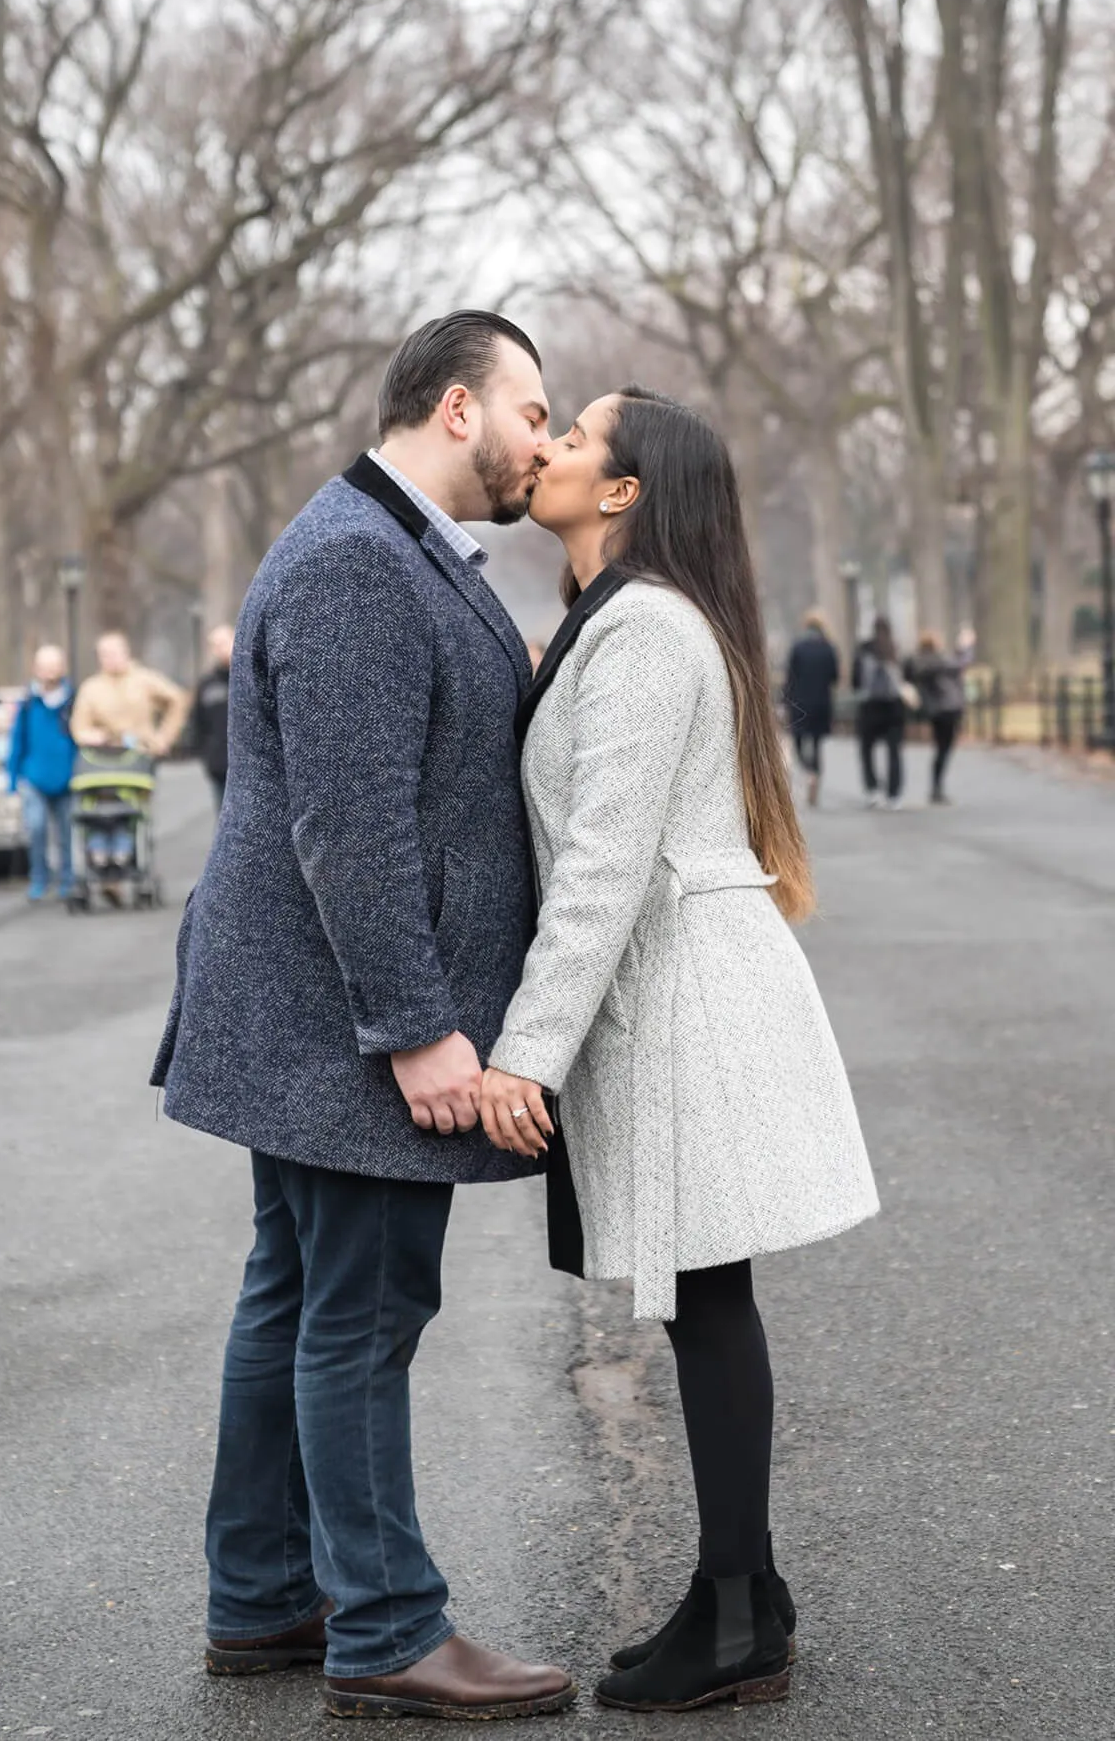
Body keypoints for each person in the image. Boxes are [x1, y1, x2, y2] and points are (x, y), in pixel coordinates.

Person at [150, 312, 576, 1719]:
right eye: (532, 410)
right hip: (341, 1024)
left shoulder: (390, 546)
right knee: (363, 1311)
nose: (542, 440)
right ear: (457, 408)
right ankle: (387, 1627)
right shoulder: (355, 562)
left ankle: (265, 1595)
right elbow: (352, 824)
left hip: (307, 1011)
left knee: (296, 1296)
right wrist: (416, 1027)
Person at [478, 387, 879, 1714]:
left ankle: (737, 1611)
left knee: (707, 1293)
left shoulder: (645, 628)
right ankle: (741, 1595)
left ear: (625, 490)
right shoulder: (622, 616)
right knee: (707, 1292)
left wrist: (527, 1055)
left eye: (575, 438)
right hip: (679, 982)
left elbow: (604, 864)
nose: (549, 448)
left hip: (685, 992)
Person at [71, 633, 188, 868]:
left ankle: (127, 850)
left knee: (132, 809)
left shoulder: (144, 680)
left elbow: (177, 699)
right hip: (101, 762)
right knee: (97, 807)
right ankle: (100, 851)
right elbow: (79, 726)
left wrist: (164, 737)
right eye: (105, 655)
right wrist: (91, 735)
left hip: (137, 759)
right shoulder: (91, 688)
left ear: (126, 653)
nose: (110, 659)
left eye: (114, 653)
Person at [6, 645, 76, 902]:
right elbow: (17, 742)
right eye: (45, 666)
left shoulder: (72, 700)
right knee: (36, 828)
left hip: (67, 779)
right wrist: (12, 779)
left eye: (54, 665)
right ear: (36, 669)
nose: (49, 671)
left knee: (65, 833)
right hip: (33, 778)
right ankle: (39, 877)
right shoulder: (27, 703)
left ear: (63, 667)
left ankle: (68, 878)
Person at [906, 627, 974, 805]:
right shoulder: (937, 661)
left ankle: (936, 787)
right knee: (944, 749)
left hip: (936, 709)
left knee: (941, 748)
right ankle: (936, 788)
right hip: (948, 708)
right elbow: (959, 663)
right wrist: (965, 646)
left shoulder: (921, 662)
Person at [782, 610, 840, 807]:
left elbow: (790, 677)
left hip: (800, 702)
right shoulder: (829, 648)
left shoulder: (798, 647)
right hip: (822, 702)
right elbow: (835, 676)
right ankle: (815, 774)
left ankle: (808, 770)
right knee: (816, 743)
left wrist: (785, 701)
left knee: (798, 741)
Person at [852, 615, 909, 809]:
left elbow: (855, 679)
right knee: (894, 752)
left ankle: (872, 789)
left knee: (867, 750)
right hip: (894, 706)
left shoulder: (864, 649)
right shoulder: (895, 649)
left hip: (870, 706)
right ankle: (894, 794)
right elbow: (907, 676)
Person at [186, 624, 234, 811]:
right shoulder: (207, 685)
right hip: (219, 763)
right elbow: (197, 721)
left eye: (224, 643)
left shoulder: (249, 677)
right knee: (223, 812)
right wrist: (205, 753)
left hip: (250, 761)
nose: (220, 649)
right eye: (215, 645)